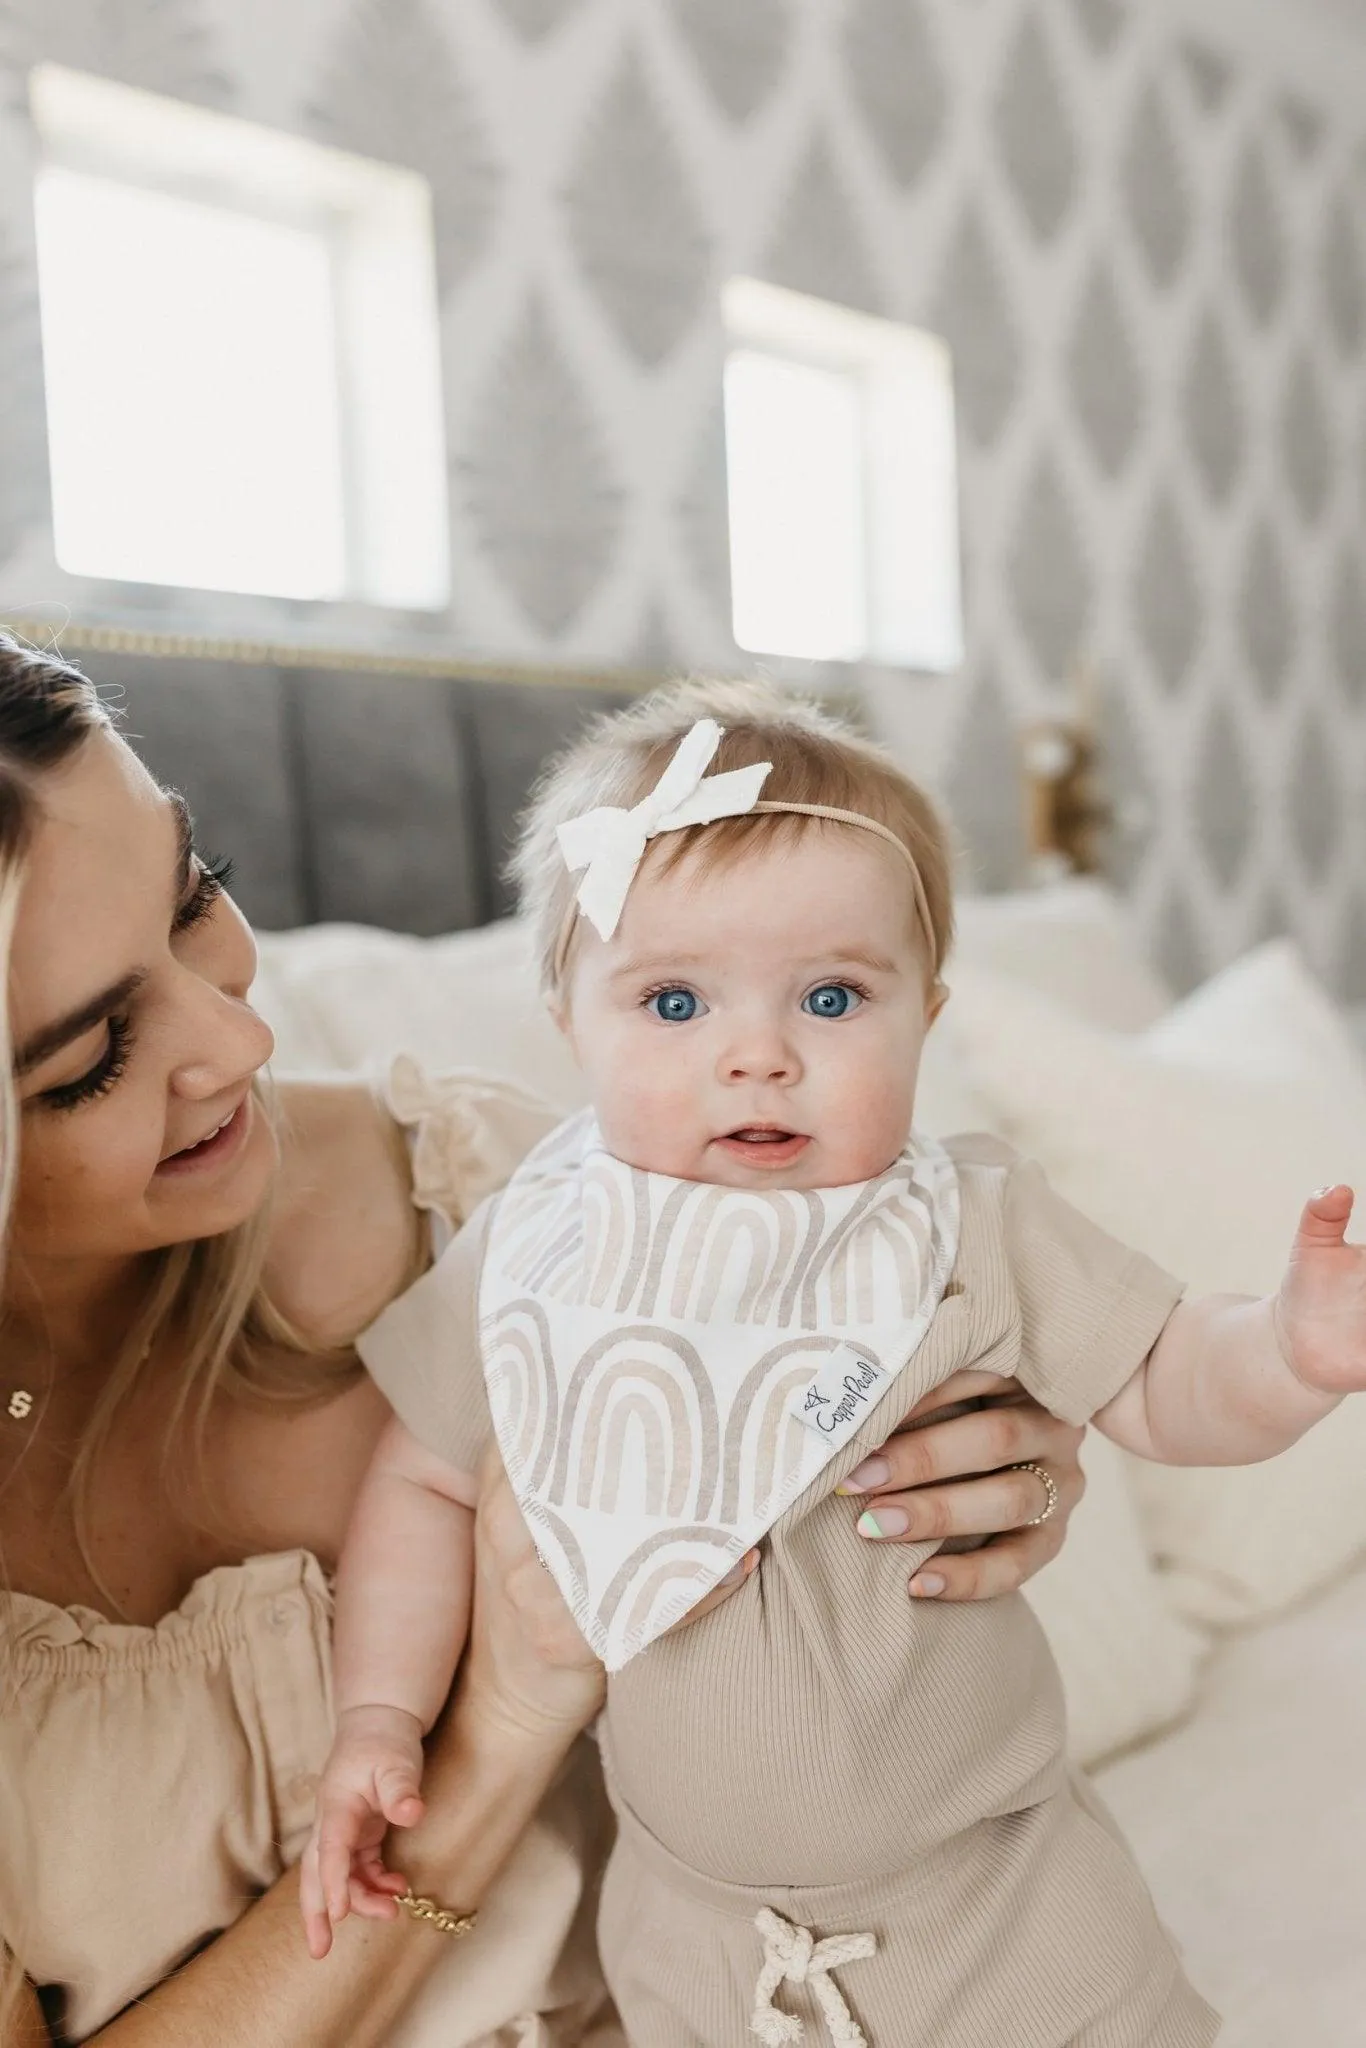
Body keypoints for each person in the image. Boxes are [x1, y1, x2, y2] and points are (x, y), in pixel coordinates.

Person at [0, 635, 1086, 2048]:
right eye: (90, 1056)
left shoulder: (486, 1199)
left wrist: (981, 1466)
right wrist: (499, 1731)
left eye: (196, 895)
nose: (239, 1043)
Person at [311, 680, 1366, 2048]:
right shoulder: (533, 1250)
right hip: (692, 1926)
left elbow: (1166, 1377)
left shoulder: (959, 1225)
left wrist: (1285, 1349)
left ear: (923, 1014)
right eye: (674, 1000)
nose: (757, 1057)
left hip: (998, 1901)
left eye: (828, 997)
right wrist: (378, 1713)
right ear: (565, 1015)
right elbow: (424, 1486)